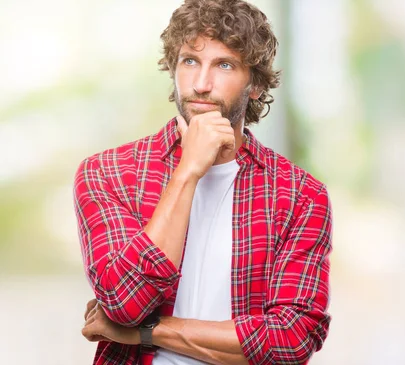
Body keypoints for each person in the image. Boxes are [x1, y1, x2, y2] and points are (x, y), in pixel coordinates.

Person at [72, 1, 333, 364]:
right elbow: (123, 302)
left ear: (255, 84)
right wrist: (188, 170)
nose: (201, 84)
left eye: (224, 65)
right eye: (190, 61)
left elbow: (291, 340)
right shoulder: (109, 173)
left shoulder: (300, 195)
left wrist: (147, 332)